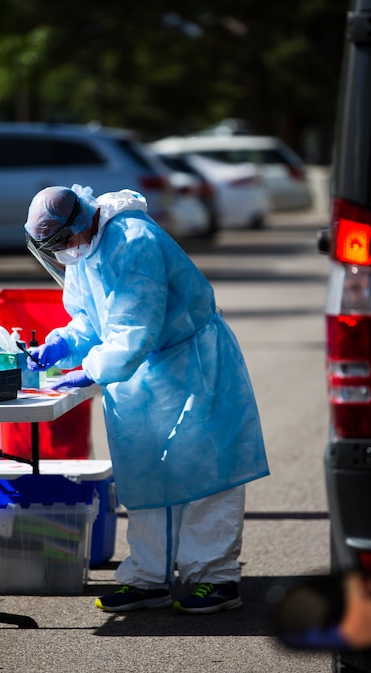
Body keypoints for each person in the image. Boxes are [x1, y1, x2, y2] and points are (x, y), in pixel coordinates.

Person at [24, 183, 269, 614]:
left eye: (63, 242)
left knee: (203, 470)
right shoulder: (87, 246)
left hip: (189, 364)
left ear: (78, 224)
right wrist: (61, 343)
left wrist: (90, 371)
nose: (63, 253)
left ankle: (216, 577)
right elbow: (91, 316)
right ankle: (148, 577)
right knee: (147, 473)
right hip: (142, 375)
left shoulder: (133, 241)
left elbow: (134, 331)